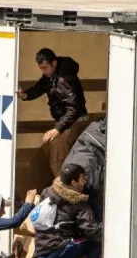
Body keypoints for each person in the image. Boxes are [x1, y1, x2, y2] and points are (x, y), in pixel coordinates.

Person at [17, 48, 89, 178]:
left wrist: (58, 129)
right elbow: (40, 87)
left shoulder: (63, 80)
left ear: (54, 63)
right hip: (70, 121)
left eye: (45, 68)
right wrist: (25, 95)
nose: (43, 71)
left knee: (57, 162)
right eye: (41, 69)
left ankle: (63, 193)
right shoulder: (52, 76)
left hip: (70, 122)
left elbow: (74, 108)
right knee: (66, 161)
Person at [34, 164, 102, 258]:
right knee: (97, 243)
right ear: (74, 183)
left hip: (41, 252)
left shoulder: (47, 192)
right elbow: (92, 231)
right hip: (59, 251)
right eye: (82, 179)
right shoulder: (79, 203)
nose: (85, 181)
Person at [62, 116, 106, 221]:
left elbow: (97, 197)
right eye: (83, 179)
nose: (84, 180)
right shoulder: (69, 170)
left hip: (97, 141)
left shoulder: (86, 174)